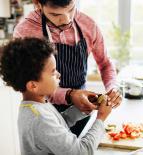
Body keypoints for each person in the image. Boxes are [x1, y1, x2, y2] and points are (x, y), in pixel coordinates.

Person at [13, 0, 122, 136]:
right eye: (55, 14)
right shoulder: (25, 31)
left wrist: (112, 87)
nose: (66, 20)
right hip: (44, 112)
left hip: (82, 109)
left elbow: (105, 63)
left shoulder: (88, 25)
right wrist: (70, 95)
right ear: (38, 4)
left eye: (71, 9)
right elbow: (29, 82)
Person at [0, 37, 112, 155]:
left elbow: (59, 124)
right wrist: (101, 119)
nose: (58, 74)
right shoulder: (38, 118)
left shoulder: (38, 105)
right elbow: (81, 152)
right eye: (53, 72)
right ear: (33, 85)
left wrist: (81, 110)